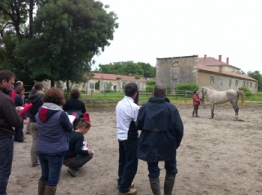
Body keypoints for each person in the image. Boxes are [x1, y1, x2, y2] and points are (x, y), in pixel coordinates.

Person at [136, 83, 184, 195]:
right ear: (165, 93)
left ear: (153, 93)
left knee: (153, 171)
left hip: (150, 143)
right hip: (168, 142)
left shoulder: (145, 107)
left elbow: (138, 125)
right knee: (171, 169)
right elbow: (180, 129)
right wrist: (175, 144)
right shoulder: (172, 108)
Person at [36, 88, 73, 195]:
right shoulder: (61, 114)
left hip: (42, 148)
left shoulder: (40, 111)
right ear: (60, 99)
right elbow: (69, 129)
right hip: (56, 150)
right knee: (53, 180)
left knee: (44, 175)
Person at [0, 70, 22, 195]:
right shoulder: (4, 99)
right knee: (3, 170)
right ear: (4, 82)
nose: (13, 87)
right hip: (3, 138)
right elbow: (15, 121)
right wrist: (17, 114)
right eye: (12, 83)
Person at [116, 83, 140, 195]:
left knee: (123, 160)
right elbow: (138, 123)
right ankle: (124, 188)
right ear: (135, 94)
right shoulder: (134, 107)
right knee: (131, 163)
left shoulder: (119, 103)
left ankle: (121, 181)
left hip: (120, 135)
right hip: (130, 137)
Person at [28, 82, 45, 167]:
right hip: (40, 121)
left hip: (32, 121)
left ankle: (34, 161)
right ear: (41, 88)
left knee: (34, 141)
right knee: (43, 141)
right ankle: (43, 160)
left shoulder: (30, 97)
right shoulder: (42, 97)